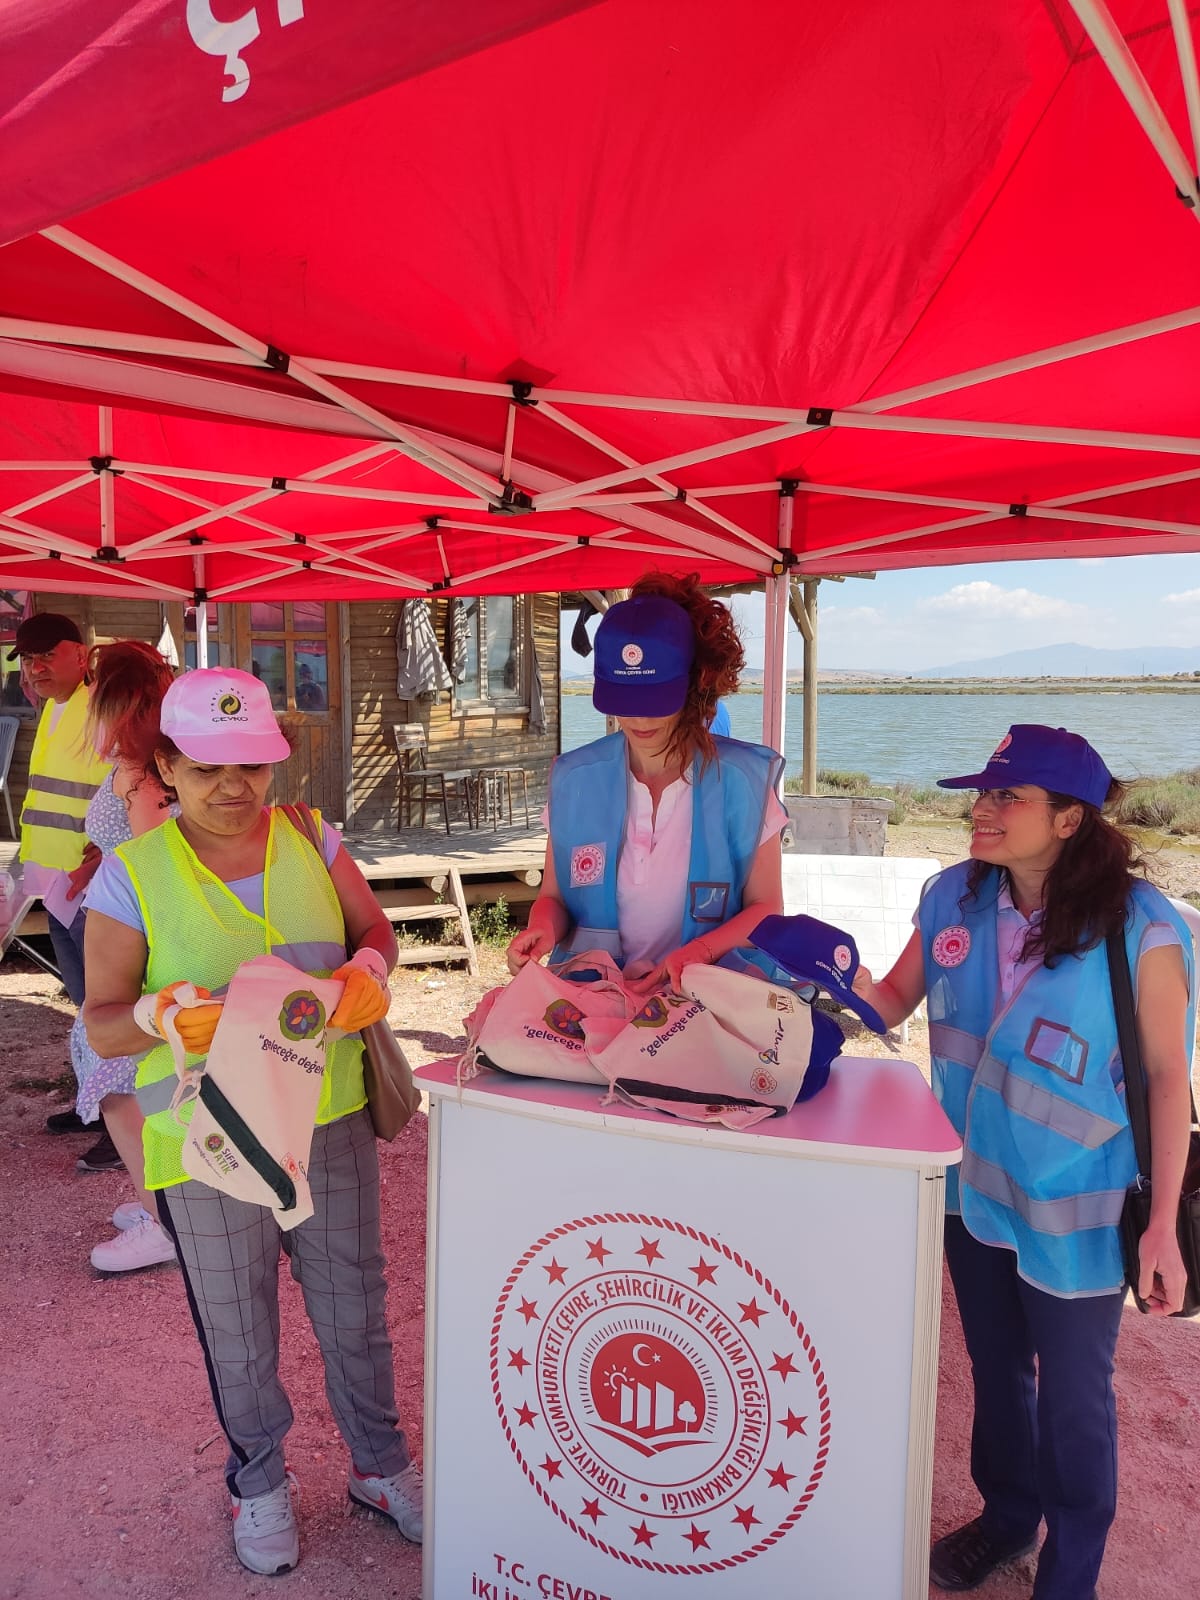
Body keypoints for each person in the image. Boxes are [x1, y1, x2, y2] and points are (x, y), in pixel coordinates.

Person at [82, 667, 422, 1576]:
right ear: (166, 766)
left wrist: (370, 976)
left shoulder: (313, 837)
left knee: (355, 1306)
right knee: (237, 1322)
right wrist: (158, 1016)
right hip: (202, 1140)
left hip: (330, 1116)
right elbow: (101, 1016)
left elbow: (376, 936)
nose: (234, 788)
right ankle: (260, 1482)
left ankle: (381, 1467)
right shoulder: (132, 875)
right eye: (205, 768)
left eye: (253, 765)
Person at [850, 725, 1195, 1600]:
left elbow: (1164, 1077)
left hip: (1077, 1206)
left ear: (1071, 819)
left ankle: (1069, 1575)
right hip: (971, 1196)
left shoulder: (1142, 926)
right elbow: (891, 1001)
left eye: (1008, 798)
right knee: (999, 1374)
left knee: (1077, 1402)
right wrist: (819, 969)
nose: (982, 810)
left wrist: (1162, 1228)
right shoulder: (951, 899)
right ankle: (1007, 1520)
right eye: (982, 794)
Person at [507, 573, 787, 992]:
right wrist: (542, 929)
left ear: (698, 684)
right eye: (624, 699)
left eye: (656, 699)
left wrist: (698, 954)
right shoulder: (575, 781)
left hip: (706, 997)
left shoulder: (744, 782)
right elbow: (556, 897)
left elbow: (767, 909)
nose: (639, 719)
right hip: (595, 994)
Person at [71, 641, 178, 1273]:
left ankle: (162, 1220)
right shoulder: (139, 770)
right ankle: (158, 1203)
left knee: (123, 1086)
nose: (105, 733)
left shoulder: (145, 778)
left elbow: (157, 872)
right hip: (122, 939)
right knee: (130, 1083)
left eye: (114, 717)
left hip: (136, 948)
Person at [9, 612, 115, 1167]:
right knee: (85, 1005)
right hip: (55, 885)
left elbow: (124, 786)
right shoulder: (53, 706)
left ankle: (124, 1122)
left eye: (47, 655)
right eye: (28, 658)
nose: (36, 666)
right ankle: (95, 1102)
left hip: (93, 885)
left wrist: (101, 858)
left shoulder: (100, 707)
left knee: (110, 1006)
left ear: (81, 653)